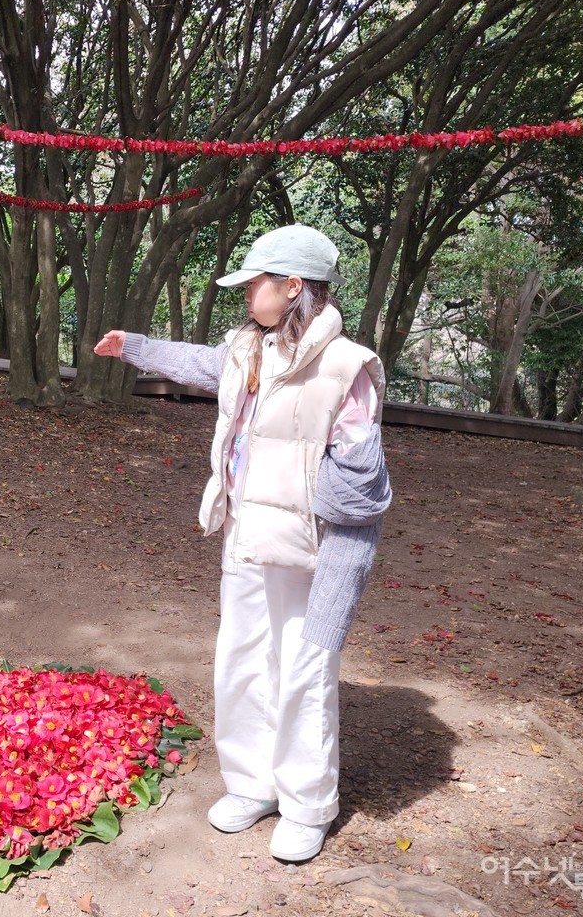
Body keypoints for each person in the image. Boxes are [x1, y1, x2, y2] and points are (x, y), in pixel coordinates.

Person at [94, 224, 391, 863]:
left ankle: (308, 804)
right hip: (245, 539)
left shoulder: (347, 369)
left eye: (255, 282)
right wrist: (135, 347)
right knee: (242, 662)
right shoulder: (248, 350)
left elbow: (361, 504)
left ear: (292, 286)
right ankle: (253, 785)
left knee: (304, 671)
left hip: (312, 555)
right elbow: (205, 364)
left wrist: (338, 596)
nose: (246, 294)